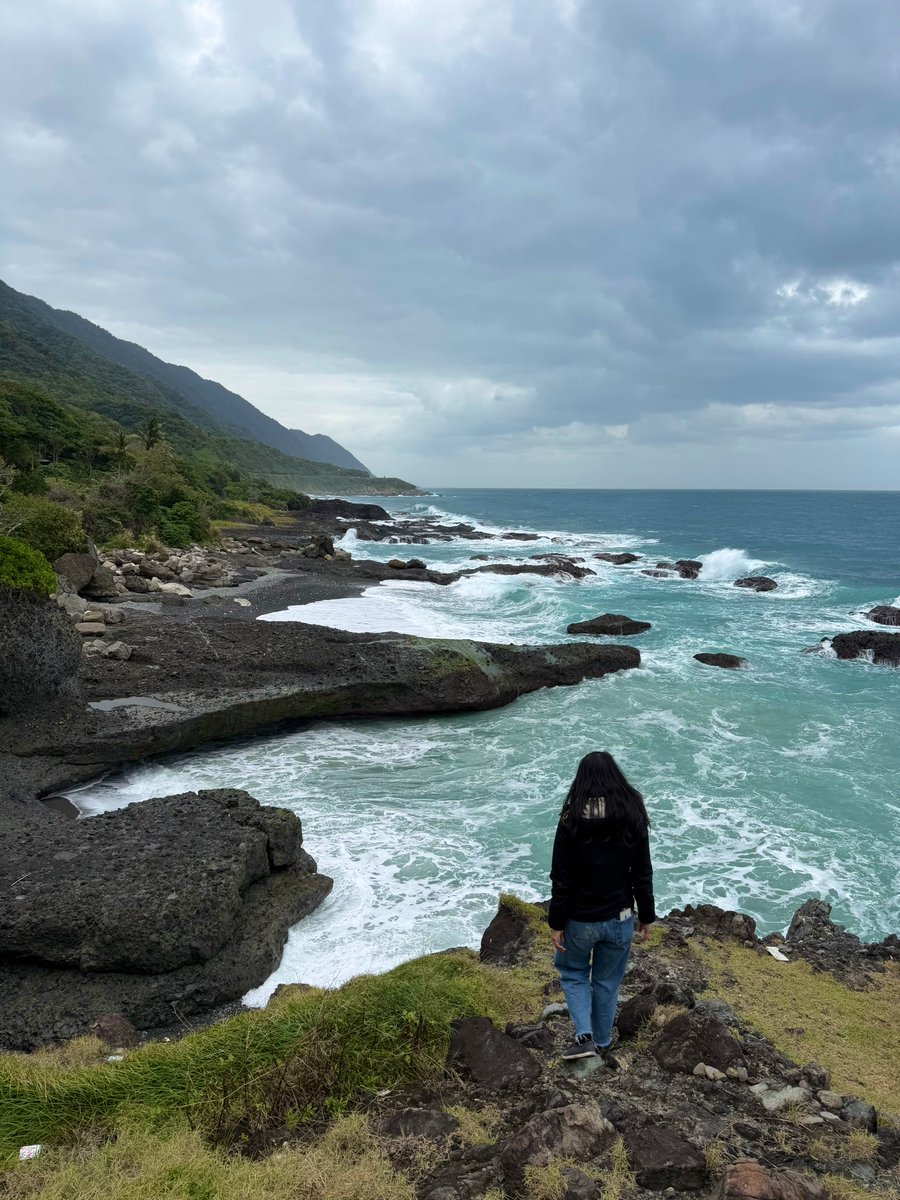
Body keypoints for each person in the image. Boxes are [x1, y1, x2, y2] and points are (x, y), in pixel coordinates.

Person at [548, 750, 656, 1060]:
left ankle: (585, 1037)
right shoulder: (632, 813)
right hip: (620, 917)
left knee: (573, 973)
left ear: (581, 781)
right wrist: (646, 915)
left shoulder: (571, 819)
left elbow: (562, 877)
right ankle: (603, 1043)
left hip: (580, 920)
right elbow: (642, 872)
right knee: (608, 981)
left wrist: (556, 922)